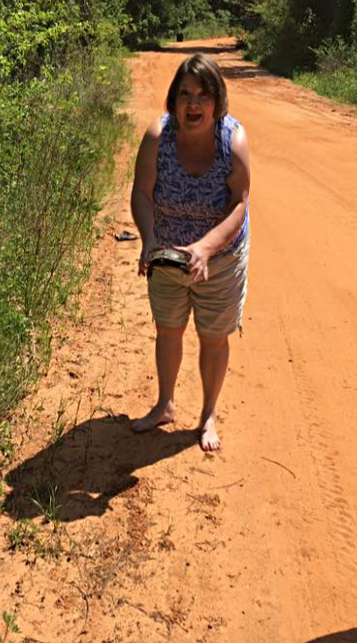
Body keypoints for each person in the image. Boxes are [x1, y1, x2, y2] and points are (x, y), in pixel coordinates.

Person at [130, 53, 251, 451]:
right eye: (185, 94)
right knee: (168, 330)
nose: (193, 104)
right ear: (173, 99)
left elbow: (239, 205)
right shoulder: (157, 136)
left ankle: (208, 415)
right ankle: (164, 405)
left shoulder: (231, 141)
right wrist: (148, 238)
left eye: (202, 95)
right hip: (166, 252)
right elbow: (142, 194)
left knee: (213, 337)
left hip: (220, 257)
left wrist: (205, 247)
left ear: (217, 102)